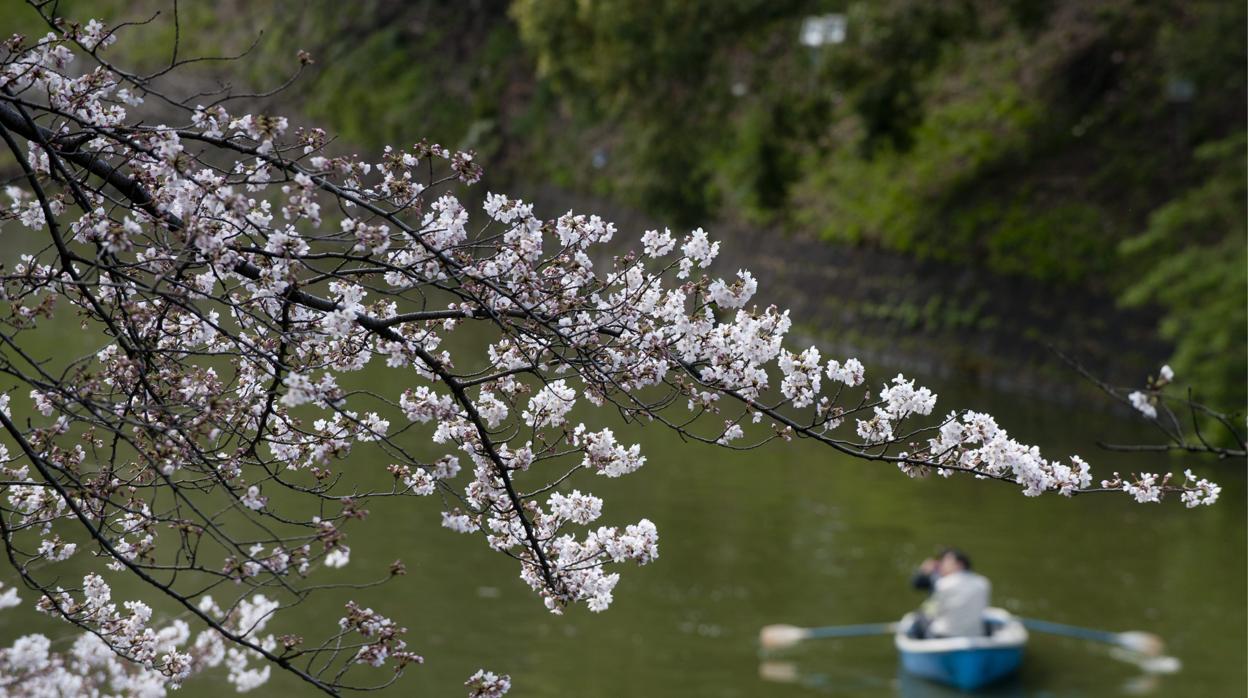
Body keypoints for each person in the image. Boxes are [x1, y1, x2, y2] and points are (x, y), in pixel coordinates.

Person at [908, 548, 991, 639]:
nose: (941, 565)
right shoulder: (983, 582)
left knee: (920, 616)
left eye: (946, 562)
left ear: (959, 565)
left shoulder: (944, 583)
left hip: (946, 635)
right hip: (976, 633)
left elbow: (935, 612)